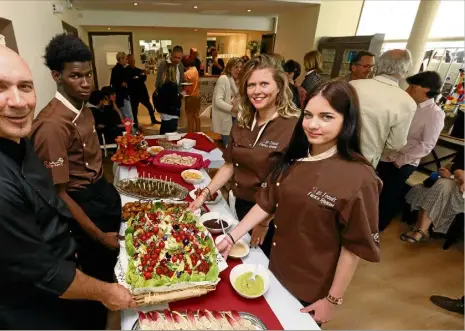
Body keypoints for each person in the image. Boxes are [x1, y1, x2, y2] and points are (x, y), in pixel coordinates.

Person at [0, 41, 134, 329]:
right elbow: (45, 273)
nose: (20, 102)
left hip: (64, 287)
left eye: (25, 86)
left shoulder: (12, 138)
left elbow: (50, 207)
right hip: (32, 311)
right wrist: (108, 292)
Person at [217, 80, 381, 324]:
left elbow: (352, 248)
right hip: (275, 266)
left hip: (311, 283)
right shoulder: (295, 158)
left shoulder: (360, 178)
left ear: (347, 120)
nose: (313, 125)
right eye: (308, 115)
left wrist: (332, 300)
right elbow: (266, 203)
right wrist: (231, 237)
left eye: (326, 117)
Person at [30, 35, 125, 327]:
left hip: (100, 194)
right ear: (56, 76)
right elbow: (58, 194)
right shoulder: (51, 126)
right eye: (75, 76)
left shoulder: (81, 106)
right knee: (95, 282)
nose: (85, 83)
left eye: (87, 75)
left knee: (113, 268)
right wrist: (99, 235)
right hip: (83, 207)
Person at [190, 54, 300, 257]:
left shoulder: (294, 126)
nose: (257, 91)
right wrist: (205, 193)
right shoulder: (243, 122)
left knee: (263, 264)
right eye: (251, 85)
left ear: (279, 86)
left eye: (264, 84)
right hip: (239, 203)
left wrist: (265, 221)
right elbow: (230, 165)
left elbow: (291, 187)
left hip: (273, 215)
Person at [377, 71, 445, 231]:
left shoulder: (435, 114)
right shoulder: (408, 105)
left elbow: (427, 144)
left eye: (413, 86)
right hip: (386, 155)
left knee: (388, 197)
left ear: (427, 89)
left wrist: (400, 161)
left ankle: (377, 229)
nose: (408, 89)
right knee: (375, 191)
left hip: (403, 162)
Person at [350, 49, 416, 168]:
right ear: (405, 70)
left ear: (378, 65)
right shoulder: (407, 102)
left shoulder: (353, 86)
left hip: (334, 152)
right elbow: (396, 144)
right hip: (365, 160)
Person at [401, 147, 464, 242]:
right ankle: (421, 229)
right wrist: (450, 173)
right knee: (424, 189)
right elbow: (455, 165)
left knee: (441, 185)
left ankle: (421, 230)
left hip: (460, 191)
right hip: (454, 182)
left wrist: (452, 177)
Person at [211, 57, 243, 146]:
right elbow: (218, 101)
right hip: (227, 117)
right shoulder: (224, 79)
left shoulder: (238, 81)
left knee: (235, 147)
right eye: (236, 67)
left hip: (236, 118)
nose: (239, 69)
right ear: (229, 68)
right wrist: (233, 108)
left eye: (241, 67)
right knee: (228, 147)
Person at [126, 54, 160, 126]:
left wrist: (138, 77)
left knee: (149, 106)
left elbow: (143, 78)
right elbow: (131, 80)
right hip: (133, 93)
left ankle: (153, 119)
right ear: (128, 61)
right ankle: (135, 123)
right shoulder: (126, 70)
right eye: (131, 59)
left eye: (133, 59)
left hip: (142, 92)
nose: (133, 61)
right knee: (134, 110)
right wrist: (138, 78)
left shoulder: (138, 70)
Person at [155, 61, 182, 134]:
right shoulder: (173, 86)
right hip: (172, 115)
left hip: (164, 115)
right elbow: (175, 102)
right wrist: (179, 97)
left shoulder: (161, 85)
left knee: (163, 135)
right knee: (170, 138)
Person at [110, 52, 134, 123]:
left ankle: (126, 132)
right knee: (129, 116)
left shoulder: (117, 69)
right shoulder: (119, 70)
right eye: (125, 59)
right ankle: (130, 132)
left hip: (120, 96)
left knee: (124, 116)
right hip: (123, 96)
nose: (127, 61)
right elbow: (122, 84)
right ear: (120, 59)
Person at [182, 55, 201, 133]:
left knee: (190, 118)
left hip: (190, 97)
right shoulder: (195, 70)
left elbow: (186, 88)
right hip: (197, 96)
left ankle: (190, 135)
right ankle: (199, 133)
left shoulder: (186, 74)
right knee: (196, 116)